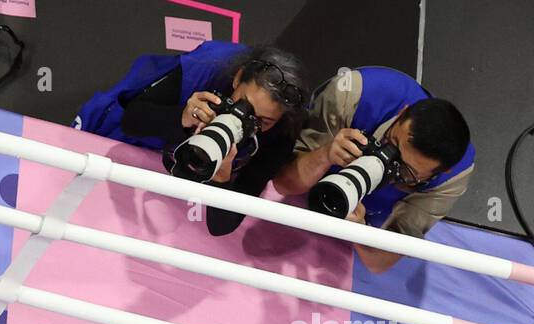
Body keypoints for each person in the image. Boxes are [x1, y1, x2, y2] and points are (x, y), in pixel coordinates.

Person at [75, 41, 309, 236]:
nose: (244, 118)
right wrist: (181, 118)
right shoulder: (207, 68)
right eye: (243, 103)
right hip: (126, 150)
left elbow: (222, 225)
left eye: (263, 121)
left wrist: (222, 180)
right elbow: (131, 121)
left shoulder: (282, 133)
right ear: (237, 78)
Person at [273, 67, 474, 274]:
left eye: (406, 171)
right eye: (390, 144)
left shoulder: (453, 178)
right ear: (401, 113)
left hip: (371, 215)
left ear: (443, 171)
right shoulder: (355, 94)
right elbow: (283, 184)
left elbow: (380, 262)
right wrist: (324, 154)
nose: (388, 162)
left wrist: (360, 233)